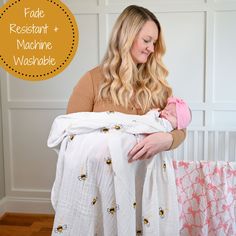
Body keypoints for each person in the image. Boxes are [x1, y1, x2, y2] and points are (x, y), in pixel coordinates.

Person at [49, 5, 190, 235]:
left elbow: (179, 126)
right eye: (147, 40)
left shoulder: (157, 86)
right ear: (127, 36)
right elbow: (70, 133)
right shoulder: (93, 81)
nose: (152, 49)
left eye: (154, 43)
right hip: (100, 191)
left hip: (141, 189)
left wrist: (166, 139)